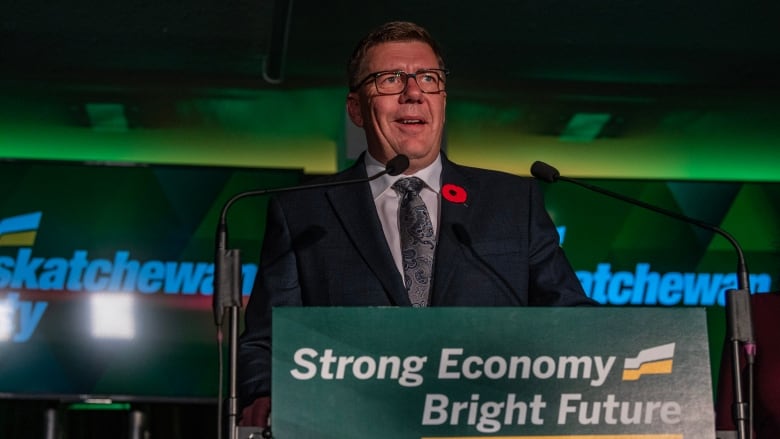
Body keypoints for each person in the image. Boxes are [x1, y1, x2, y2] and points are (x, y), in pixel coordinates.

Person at [237, 20, 595, 427]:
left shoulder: (513, 203)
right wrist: (264, 391)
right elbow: (267, 341)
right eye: (391, 79)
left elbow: (572, 320)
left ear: (443, 99)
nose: (413, 93)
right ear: (356, 108)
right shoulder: (303, 212)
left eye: (428, 78)